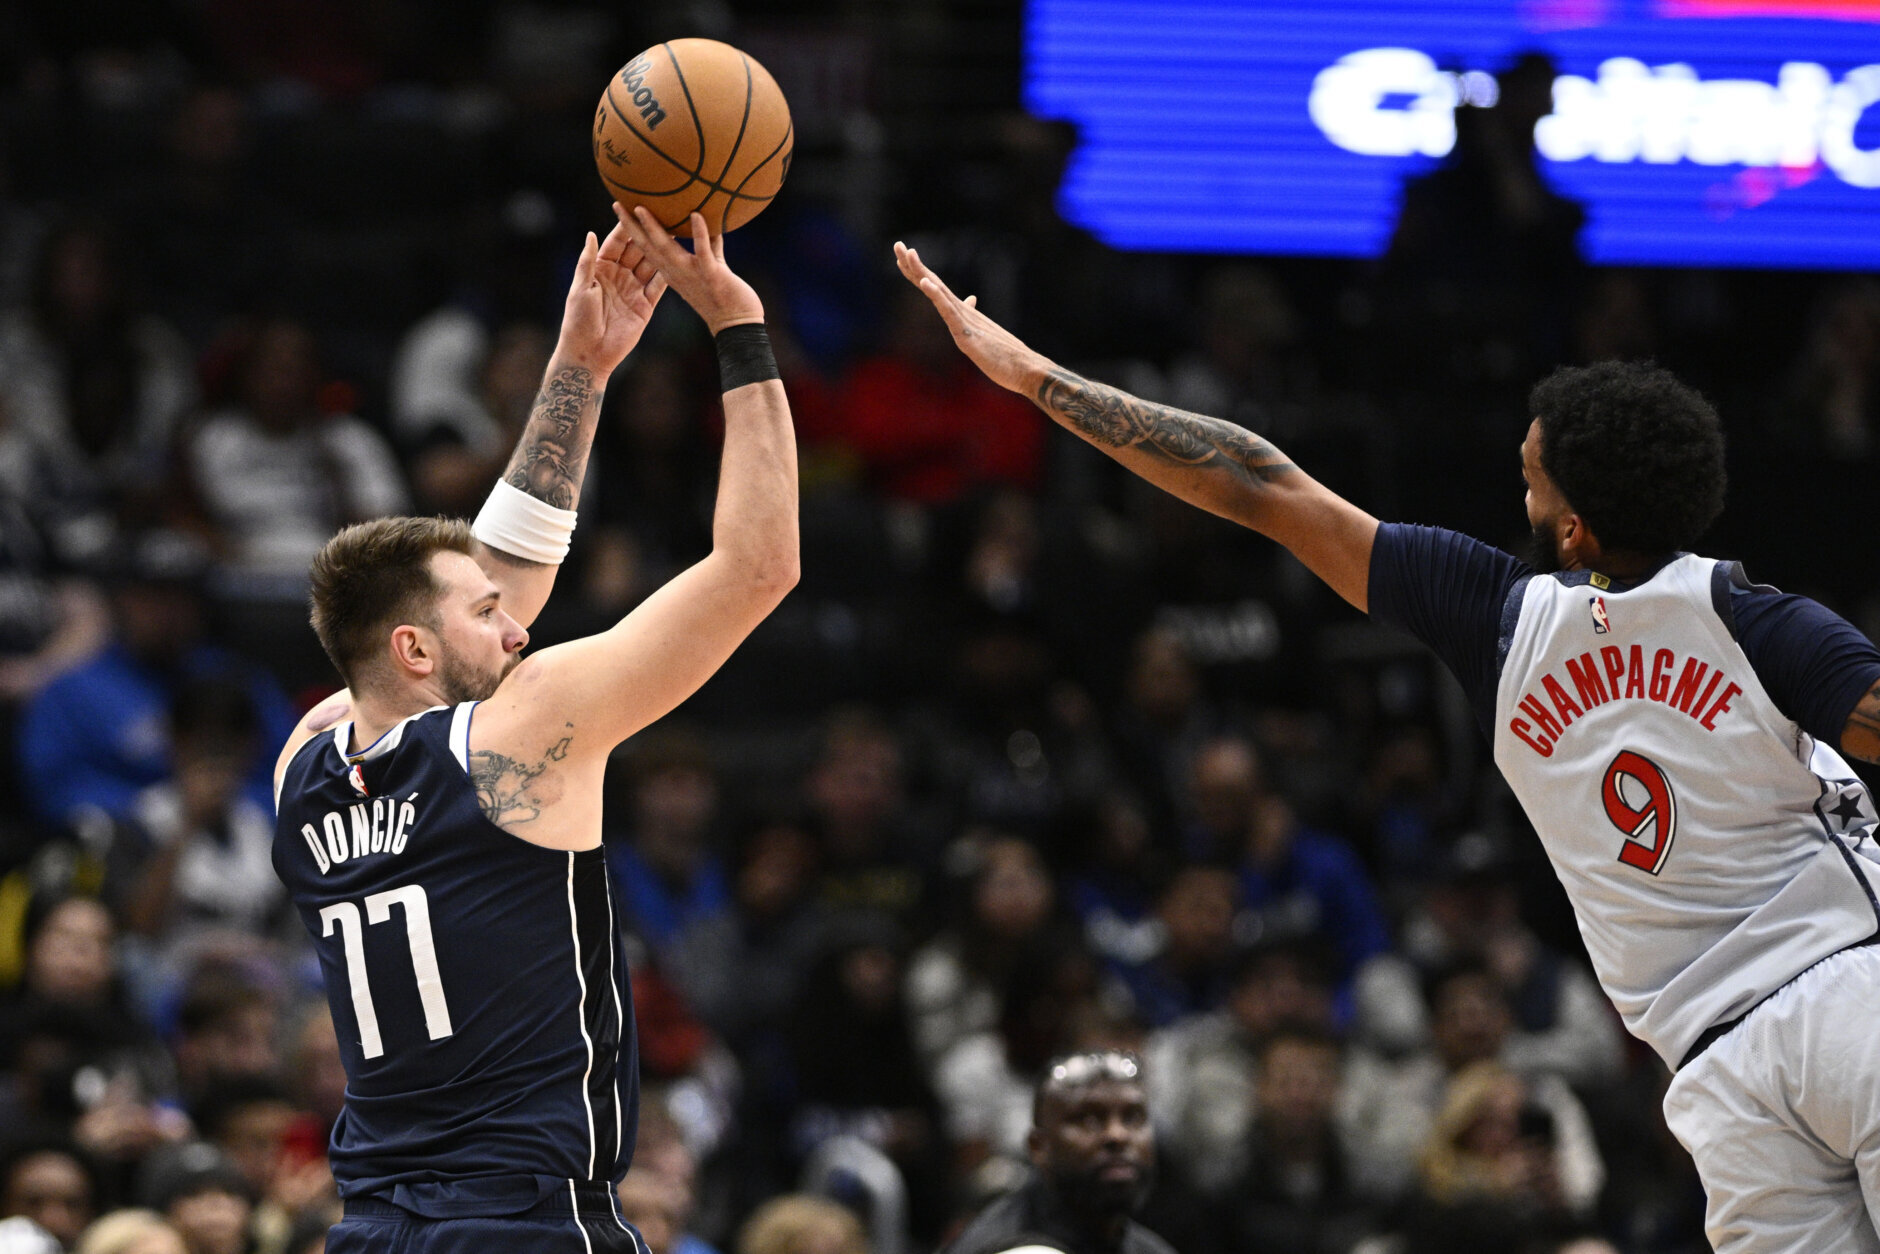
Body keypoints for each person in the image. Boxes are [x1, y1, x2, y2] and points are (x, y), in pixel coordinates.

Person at [895, 244, 1880, 1252]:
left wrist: (1033, 379)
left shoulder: (1495, 623)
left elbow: (1254, 482)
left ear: (1573, 527)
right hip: (1803, 1025)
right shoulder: (1756, 620)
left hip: (1756, 1045)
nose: (1522, 504)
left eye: (1530, 486)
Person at [272, 205, 797, 1254]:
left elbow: (492, 576)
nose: (518, 627)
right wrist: (740, 331)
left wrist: (583, 364)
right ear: (416, 651)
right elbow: (759, 567)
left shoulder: (307, 759)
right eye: (486, 619)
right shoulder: (520, 730)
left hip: (374, 1227)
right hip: (519, 1222)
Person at [940, 1051, 1172, 1254]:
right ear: (1038, 1146)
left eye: (1132, 1118)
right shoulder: (995, 1245)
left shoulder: (1151, 1248)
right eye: (1089, 1120)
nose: (1117, 1135)